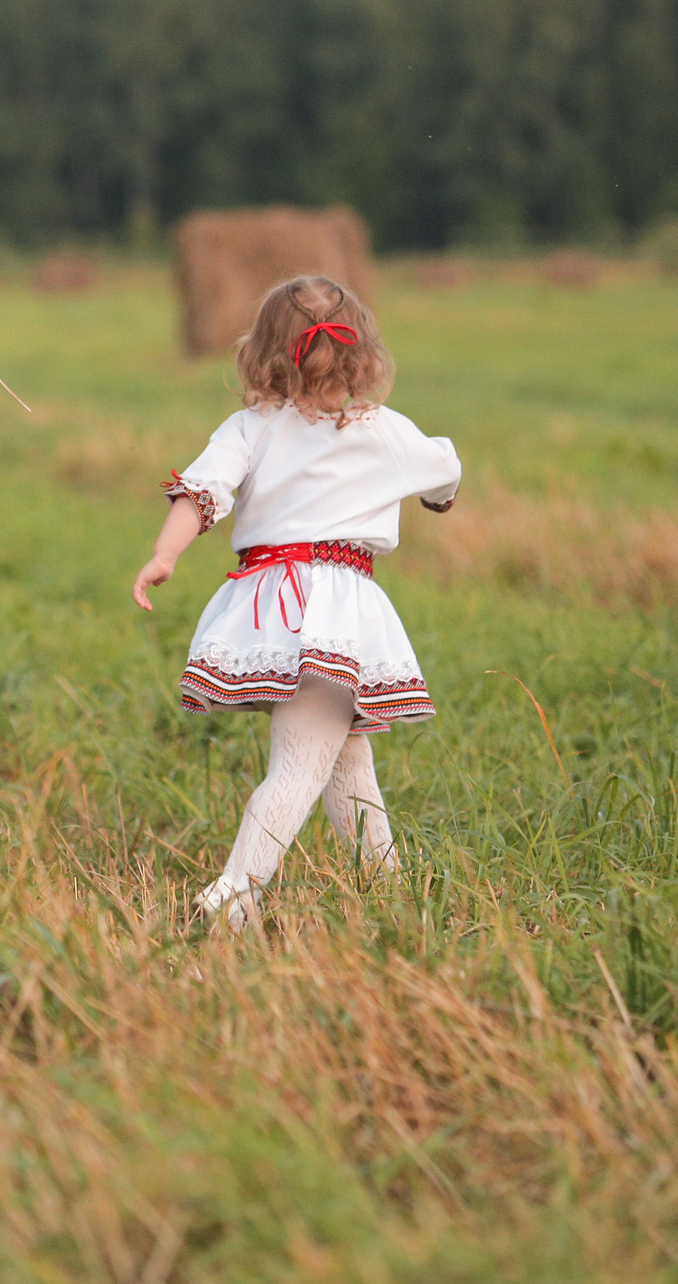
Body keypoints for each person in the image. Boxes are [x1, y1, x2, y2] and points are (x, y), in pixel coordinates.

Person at [131, 276, 460, 925]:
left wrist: (164, 556)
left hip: (267, 602)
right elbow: (444, 471)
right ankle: (229, 898)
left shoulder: (250, 426)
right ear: (360, 352)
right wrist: (432, 495)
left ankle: (388, 900)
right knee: (300, 765)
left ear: (263, 354)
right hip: (333, 609)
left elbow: (198, 494)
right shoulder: (386, 430)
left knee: (345, 758)